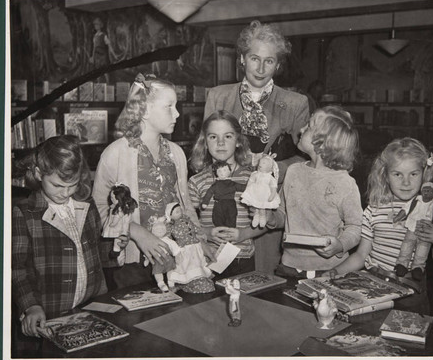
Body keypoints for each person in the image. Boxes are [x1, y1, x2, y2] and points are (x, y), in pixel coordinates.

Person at [204, 20, 310, 273]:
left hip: (268, 207)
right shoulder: (218, 96)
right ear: (241, 59)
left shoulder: (295, 103)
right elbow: (205, 152)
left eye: (269, 61)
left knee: (264, 280)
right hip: (223, 203)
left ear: (278, 64)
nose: (261, 68)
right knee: (221, 279)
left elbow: (308, 160)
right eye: (254, 58)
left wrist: (274, 167)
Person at [92, 73, 213, 290]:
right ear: (145, 110)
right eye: (169, 106)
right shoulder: (115, 154)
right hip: (134, 263)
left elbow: (185, 206)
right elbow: (97, 209)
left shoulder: (176, 153)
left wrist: (198, 239)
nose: (177, 113)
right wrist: (136, 231)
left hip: (178, 257)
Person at [331, 137, 433, 314]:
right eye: (397, 174)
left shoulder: (432, 212)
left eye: (413, 174)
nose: (406, 182)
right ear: (385, 176)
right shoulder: (374, 209)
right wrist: (334, 271)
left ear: (424, 174)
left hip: (411, 296)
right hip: (372, 290)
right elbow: (361, 255)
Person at [12, 136, 107, 348]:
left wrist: (116, 244)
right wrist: (31, 306)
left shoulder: (87, 204)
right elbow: (17, 269)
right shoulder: (24, 213)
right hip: (49, 315)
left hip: (92, 309)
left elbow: (99, 252)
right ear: (38, 174)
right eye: (57, 185)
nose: (65, 193)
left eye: (72, 185)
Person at [266, 105, 363, 277]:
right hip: (288, 266)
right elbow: (283, 213)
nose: (301, 129)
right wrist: (270, 218)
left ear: (324, 141)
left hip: (328, 271)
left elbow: (355, 227)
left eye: (309, 126)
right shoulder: (293, 171)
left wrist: (340, 245)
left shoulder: (345, 183)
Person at [189, 110, 267, 278]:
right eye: (213, 137)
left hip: (243, 259)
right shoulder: (196, 181)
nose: (221, 143)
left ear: (238, 141)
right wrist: (206, 232)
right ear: (205, 142)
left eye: (228, 136)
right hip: (207, 258)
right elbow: (186, 222)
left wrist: (243, 234)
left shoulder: (252, 179)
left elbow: (266, 220)